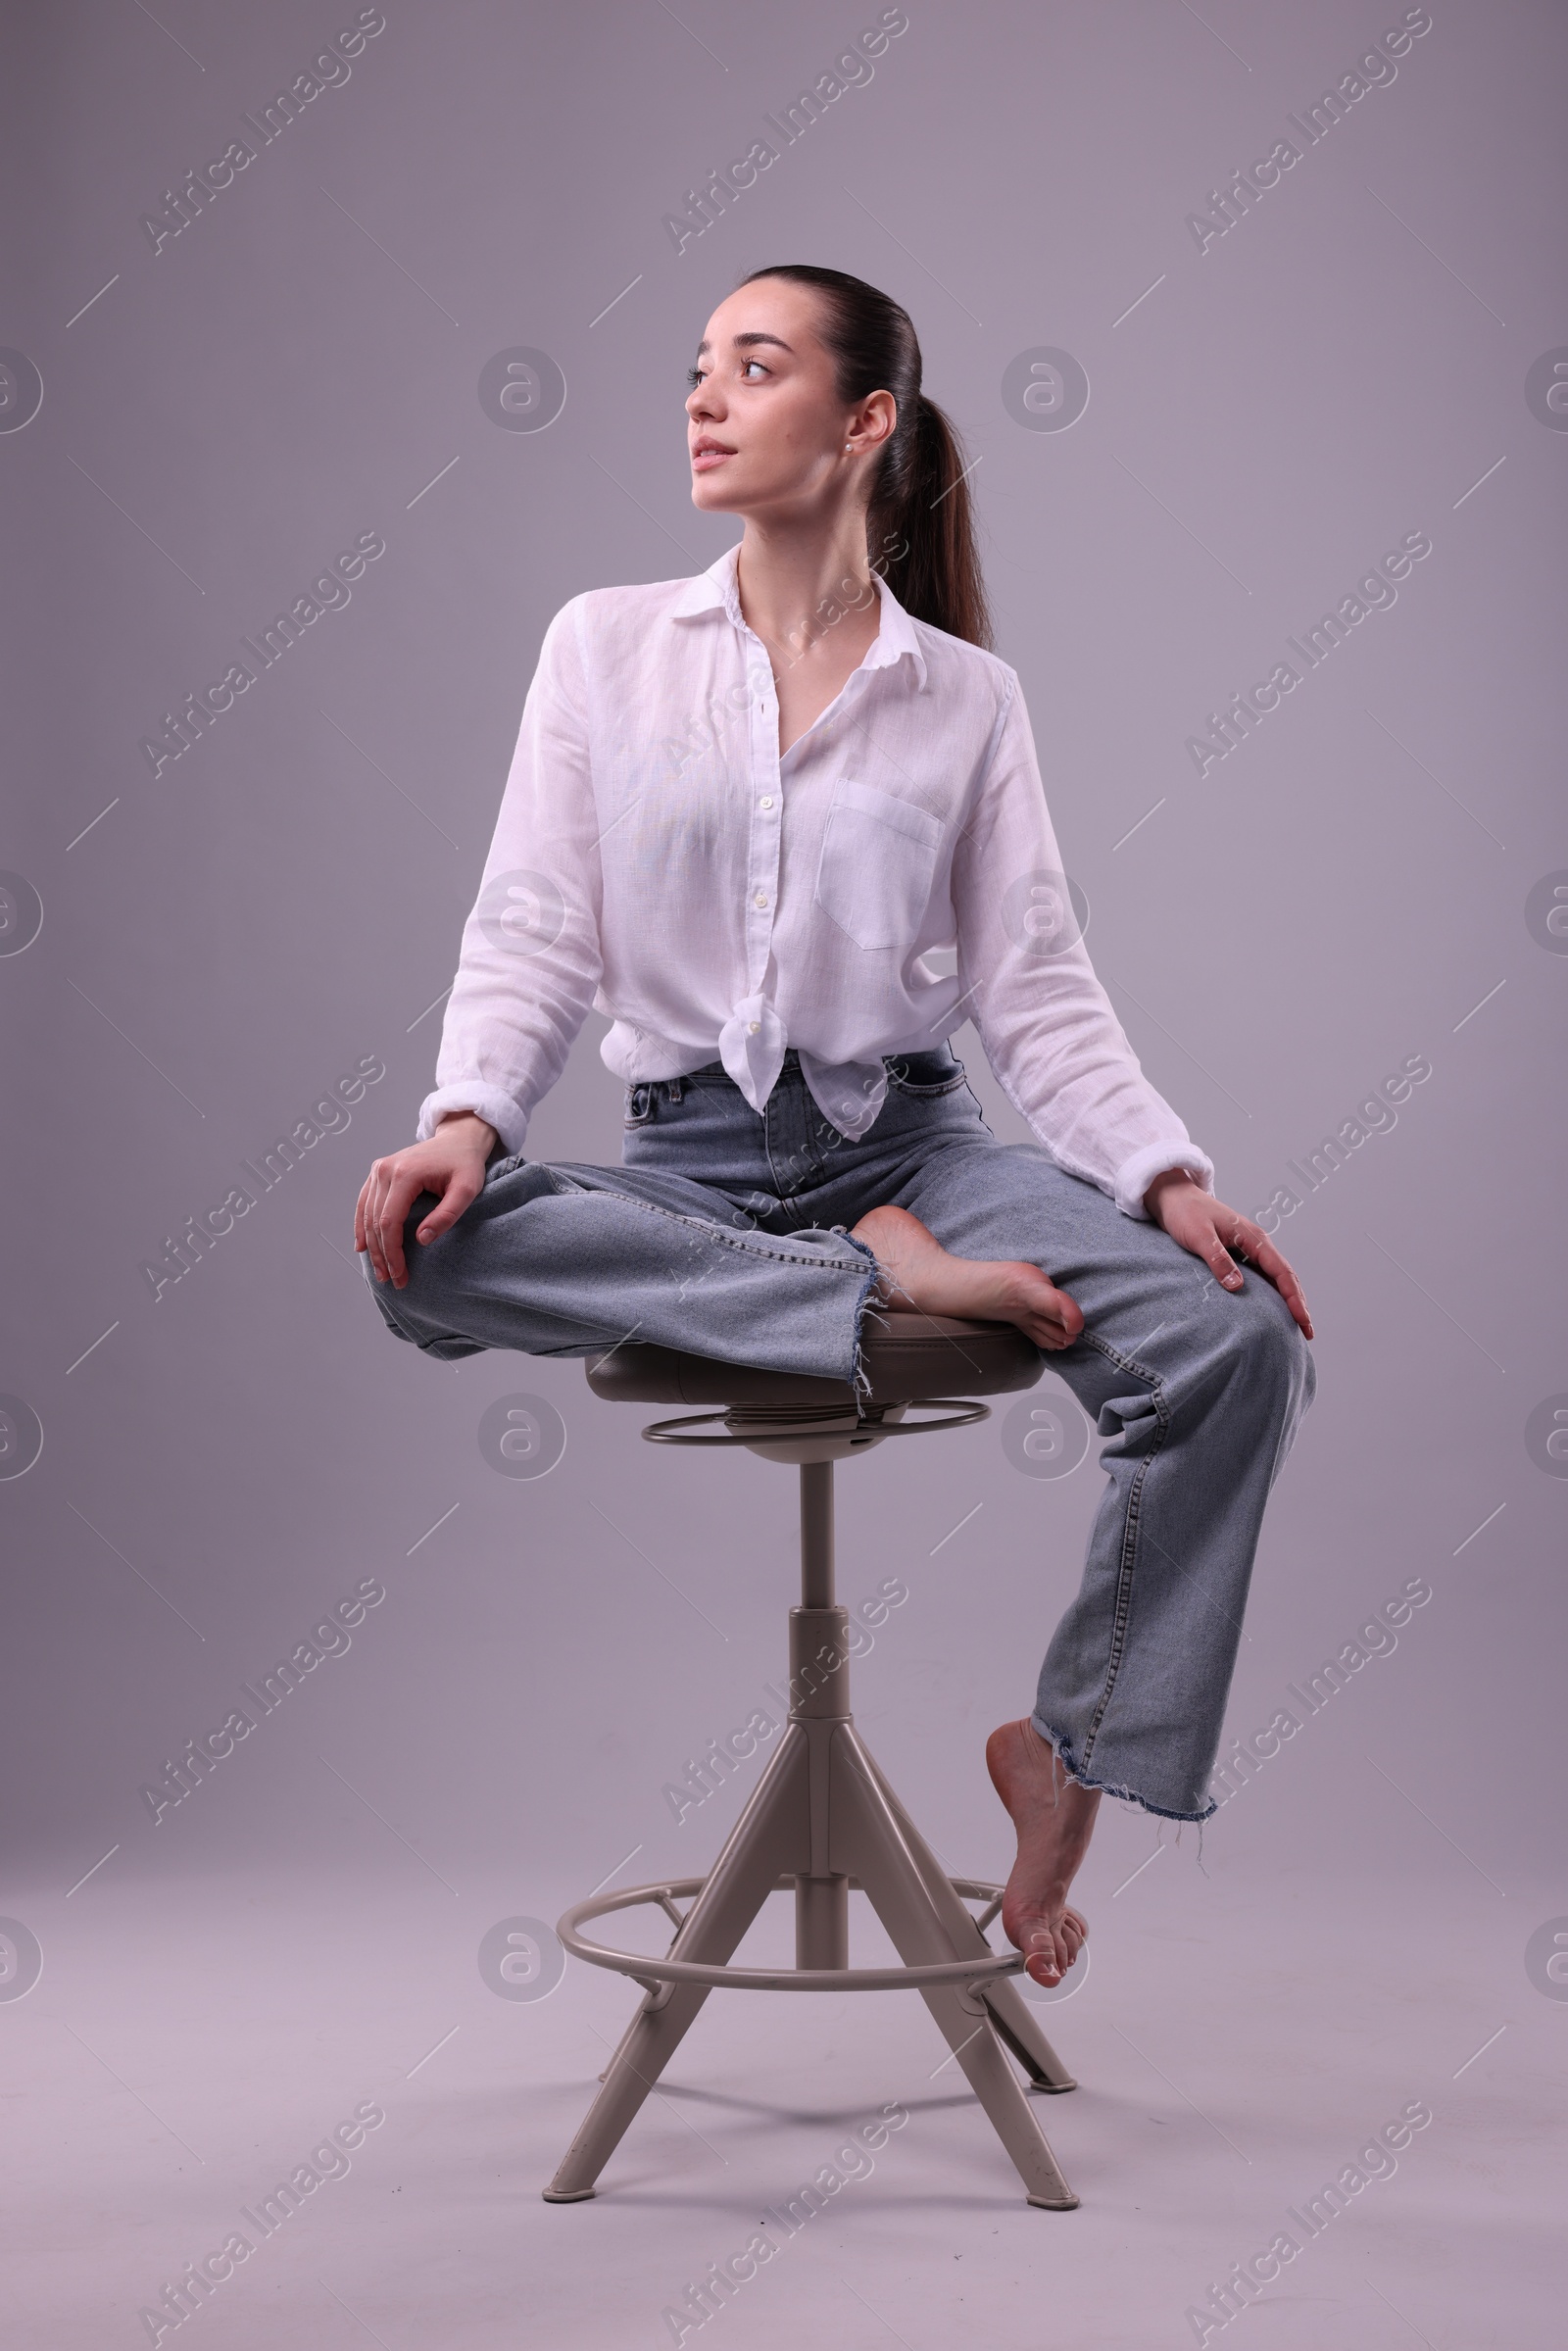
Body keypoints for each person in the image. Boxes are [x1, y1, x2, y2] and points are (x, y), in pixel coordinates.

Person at [355, 264, 1315, 1989]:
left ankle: (1070, 1762)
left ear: (866, 419)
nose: (705, 400)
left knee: (1237, 1347)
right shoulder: (602, 646)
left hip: (922, 1154)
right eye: (699, 369)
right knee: (427, 1257)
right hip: (696, 1177)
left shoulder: (967, 700)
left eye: (757, 366)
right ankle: (890, 1292)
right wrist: (467, 1121)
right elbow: (534, 928)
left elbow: (1037, 989)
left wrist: (1169, 1180)